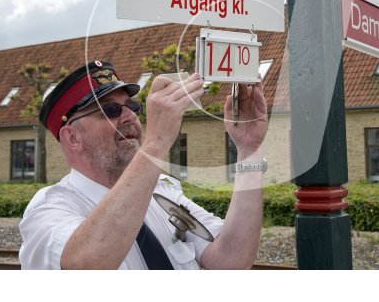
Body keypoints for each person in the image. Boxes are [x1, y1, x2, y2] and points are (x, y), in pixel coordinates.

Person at [19, 60, 268, 270]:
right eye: (110, 110)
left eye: (132, 107)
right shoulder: (49, 210)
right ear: (73, 137)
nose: (129, 116)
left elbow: (230, 259)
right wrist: (156, 142)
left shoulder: (161, 189)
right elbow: (87, 264)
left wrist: (249, 150)